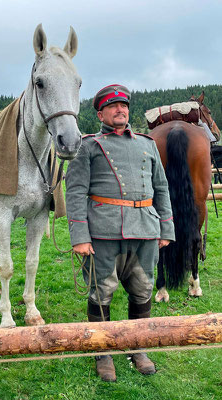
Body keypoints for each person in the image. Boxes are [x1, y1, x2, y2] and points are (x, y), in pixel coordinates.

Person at [65, 84, 175, 382]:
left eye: (123, 105)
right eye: (112, 106)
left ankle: (136, 347)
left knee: (142, 290)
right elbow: (75, 191)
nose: (120, 110)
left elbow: (161, 187)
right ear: (101, 113)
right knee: (102, 292)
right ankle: (102, 352)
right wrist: (79, 236)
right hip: (103, 232)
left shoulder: (147, 143)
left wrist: (166, 227)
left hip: (146, 230)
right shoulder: (88, 145)